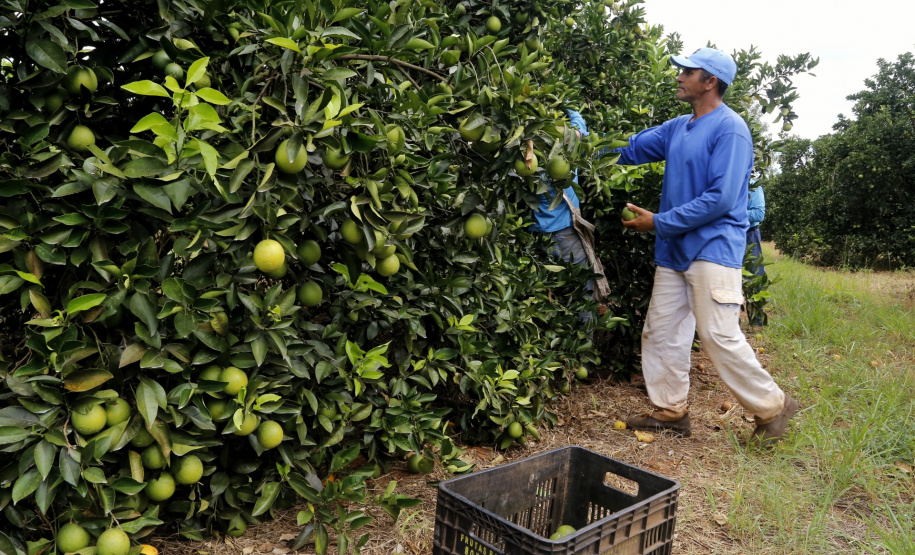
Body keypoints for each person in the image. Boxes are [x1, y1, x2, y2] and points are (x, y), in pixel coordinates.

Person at [615, 47, 797, 443]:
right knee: (661, 332)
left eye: (687, 71)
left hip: (713, 248)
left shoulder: (730, 129)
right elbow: (628, 149)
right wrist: (574, 143)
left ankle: (774, 406)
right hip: (674, 252)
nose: (678, 76)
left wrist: (658, 222)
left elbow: (721, 198)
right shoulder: (678, 127)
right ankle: (670, 411)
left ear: (710, 81)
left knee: (718, 334)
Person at [530, 110, 595, 319]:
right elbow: (579, 126)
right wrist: (567, 107)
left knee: (546, 291)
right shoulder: (567, 154)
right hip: (566, 234)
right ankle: (584, 339)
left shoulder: (527, 161)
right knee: (584, 288)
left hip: (537, 234)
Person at [745, 181, 767, 325]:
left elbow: (759, 214)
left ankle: (756, 322)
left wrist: (730, 212)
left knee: (755, 277)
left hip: (749, 235)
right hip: (726, 234)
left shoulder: (753, 186)